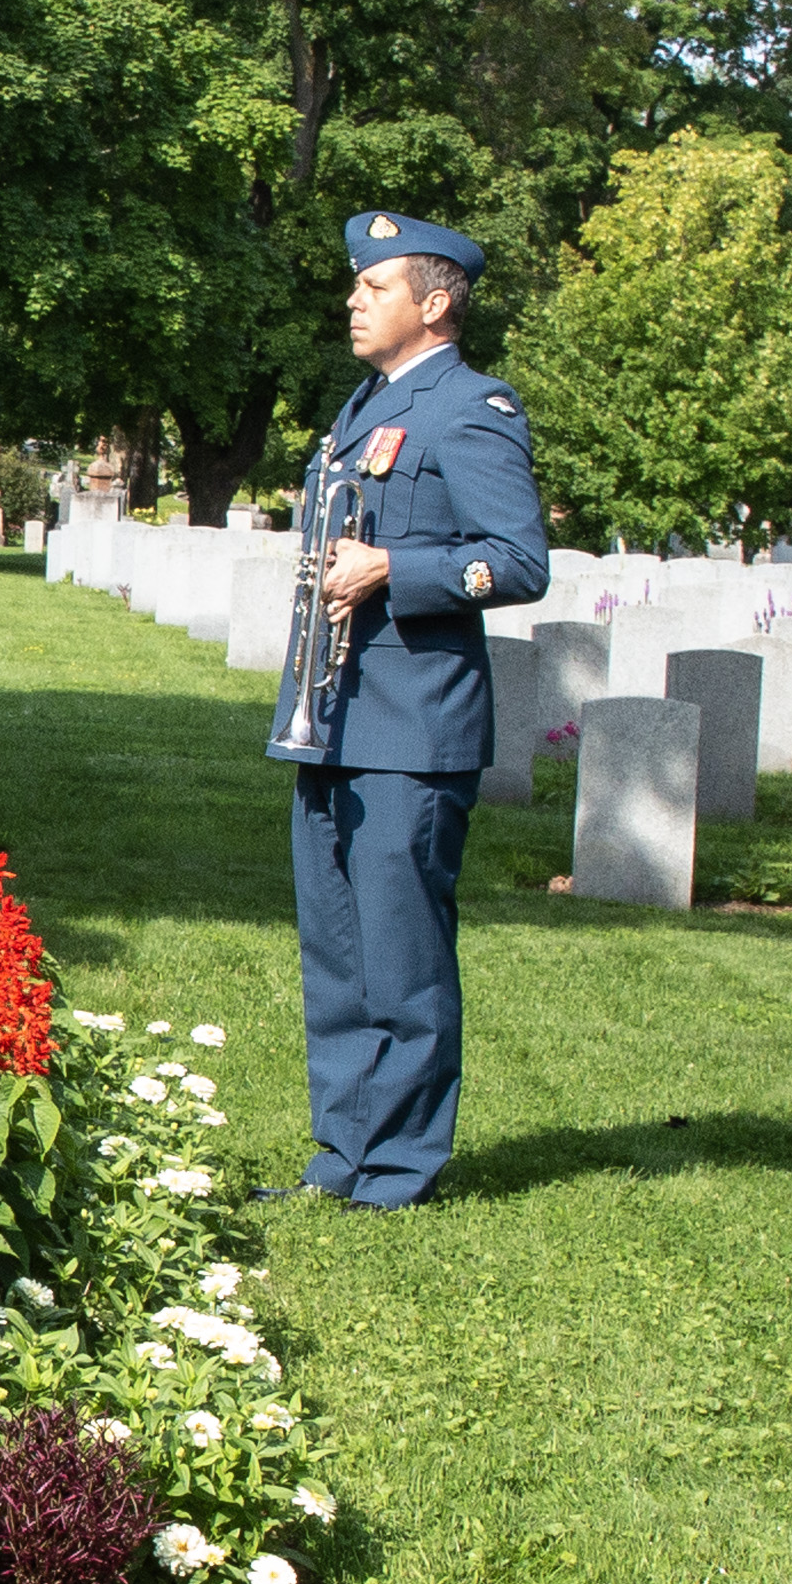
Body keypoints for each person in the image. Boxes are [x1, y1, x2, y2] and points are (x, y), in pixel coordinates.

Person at [267, 210, 545, 1213]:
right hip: (336, 711)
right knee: (338, 955)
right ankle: (342, 1156)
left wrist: (396, 567)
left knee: (401, 955)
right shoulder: (363, 409)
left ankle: (401, 1167)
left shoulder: (471, 408)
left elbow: (518, 562)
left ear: (434, 304)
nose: (353, 299)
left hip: (414, 724)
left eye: (375, 287)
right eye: (356, 285)